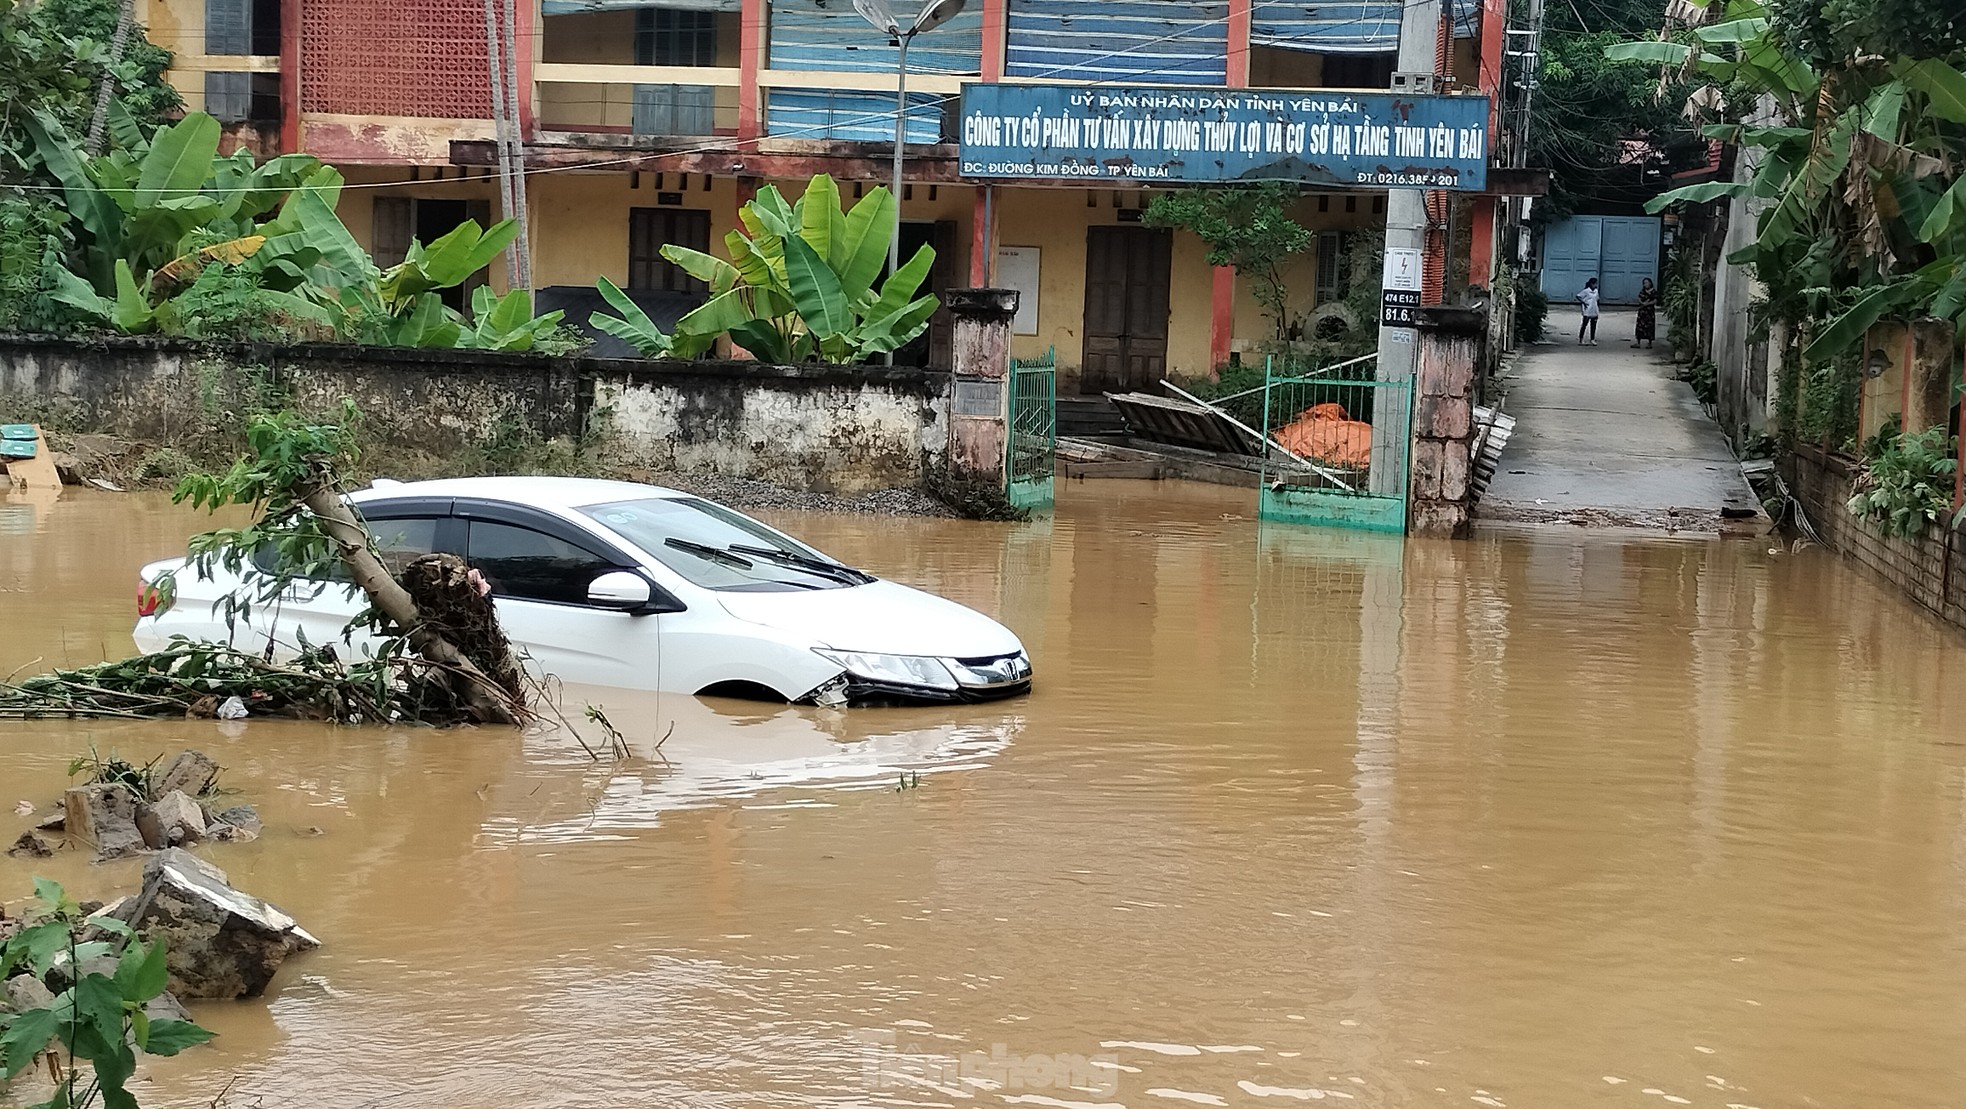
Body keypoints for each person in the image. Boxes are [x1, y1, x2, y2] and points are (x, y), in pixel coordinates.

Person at [1632, 277, 1657, 349]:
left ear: (1650, 283)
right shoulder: (1642, 291)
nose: (1645, 284)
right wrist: (1642, 303)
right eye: (1644, 283)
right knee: (1640, 326)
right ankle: (1638, 342)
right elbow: (1639, 298)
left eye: (1647, 282)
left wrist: (1648, 304)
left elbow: (1655, 300)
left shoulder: (1653, 292)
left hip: (1649, 312)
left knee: (1650, 327)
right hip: (1642, 312)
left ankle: (1649, 343)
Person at [1578, 278, 1601, 345]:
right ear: (1591, 284)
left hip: (1594, 310)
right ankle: (1581, 339)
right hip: (1587, 310)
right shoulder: (1586, 291)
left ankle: (1592, 339)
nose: (1596, 285)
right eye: (1595, 284)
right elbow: (1578, 296)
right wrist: (1584, 302)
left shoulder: (1596, 291)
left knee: (1593, 325)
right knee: (1584, 325)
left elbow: (1597, 299)